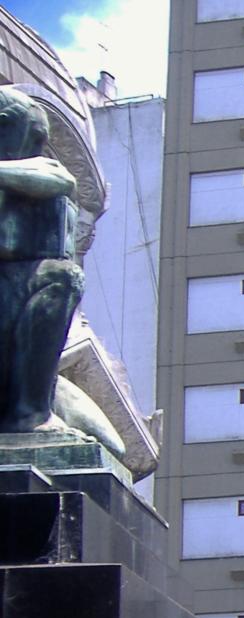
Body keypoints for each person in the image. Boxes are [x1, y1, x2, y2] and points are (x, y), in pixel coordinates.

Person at [0, 86, 83, 433]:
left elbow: (61, 178)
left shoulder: (23, 174)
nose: (35, 151)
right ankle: (29, 414)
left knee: (114, 445)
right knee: (61, 278)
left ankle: (33, 411)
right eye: (32, 138)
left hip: (13, 319)